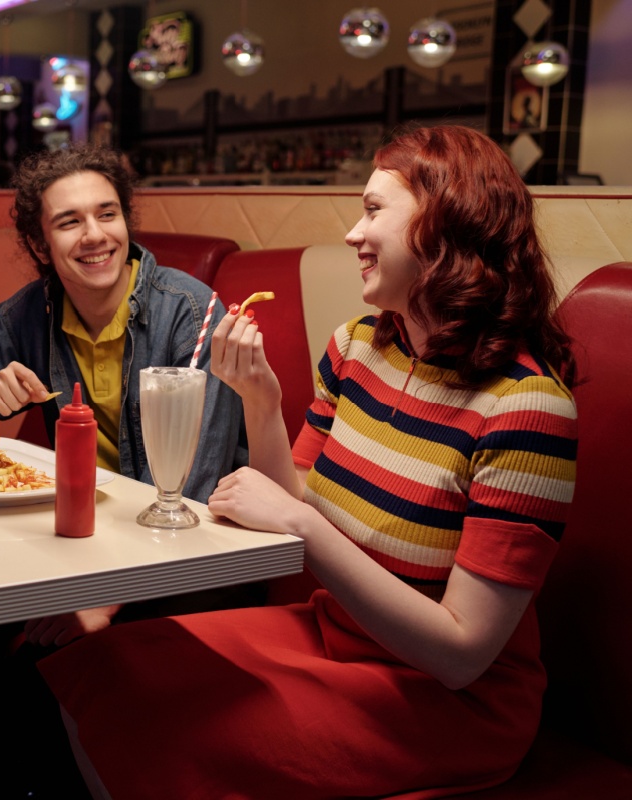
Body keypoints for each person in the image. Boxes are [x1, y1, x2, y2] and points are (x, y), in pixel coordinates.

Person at [37, 124, 578, 799]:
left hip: (449, 701)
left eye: (374, 210)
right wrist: (262, 402)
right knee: (99, 665)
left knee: (170, 733)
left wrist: (304, 528)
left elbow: (461, 653)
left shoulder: (527, 409)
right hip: (331, 633)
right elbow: (296, 493)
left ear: (445, 227)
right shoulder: (357, 348)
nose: (353, 232)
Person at [0, 143, 250, 797]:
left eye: (107, 214)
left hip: (193, 557)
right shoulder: (29, 313)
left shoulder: (192, 313)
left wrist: (104, 597)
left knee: (40, 659)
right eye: (69, 222)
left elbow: (196, 487)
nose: (95, 236)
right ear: (40, 241)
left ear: (126, 221)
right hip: (80, 542)